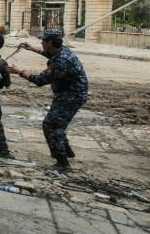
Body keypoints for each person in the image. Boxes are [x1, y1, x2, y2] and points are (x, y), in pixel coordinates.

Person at [6, 28, 89, 172]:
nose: (41, 42)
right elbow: (48, 53)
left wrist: (19, 72)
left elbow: (39, 80)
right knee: (59, 124)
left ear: (50, 42)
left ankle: (62, 164)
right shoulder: (61, 51)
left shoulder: (61, 61)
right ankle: (67, 152)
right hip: (70, 93)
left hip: (71, 96)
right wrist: (32, 49)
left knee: (51, 125)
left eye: (43, 40)